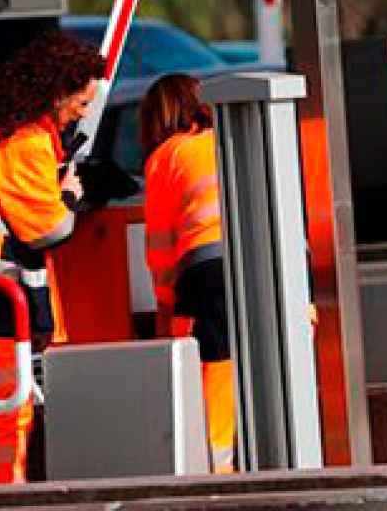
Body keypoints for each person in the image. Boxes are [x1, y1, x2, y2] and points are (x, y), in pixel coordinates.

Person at [0, 31, 104, 483]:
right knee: (8, 413)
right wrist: (67, 194)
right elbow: (49, 230)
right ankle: (5, 495)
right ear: (54, 93)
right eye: (81, 102)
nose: (81, 114)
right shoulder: (22, 142)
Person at [138, 73, 235, 473]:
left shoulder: (167, 157)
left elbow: (161, 247)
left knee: (212, 373)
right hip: (274, 263)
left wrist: (166, 307)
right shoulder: (230, 136)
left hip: (207, 270)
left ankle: (219, 475)